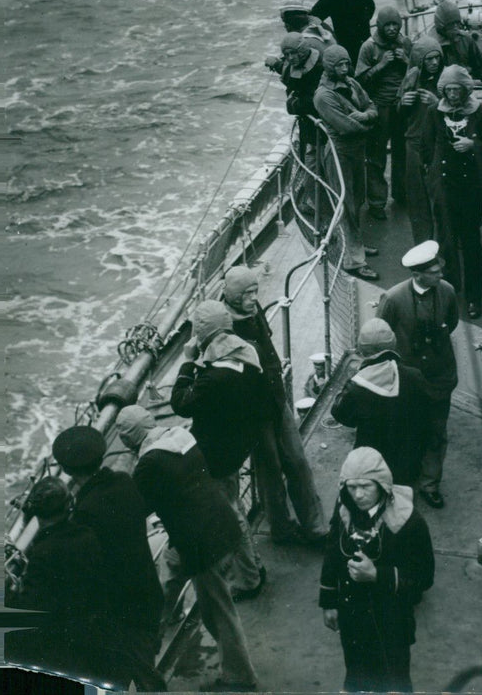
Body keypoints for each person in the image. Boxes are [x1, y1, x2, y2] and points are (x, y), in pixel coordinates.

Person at [116, 404, 258, 693]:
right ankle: (160, 629)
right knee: (172, 582)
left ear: (129, 439)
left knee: (219, 613)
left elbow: (136, 506)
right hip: (218, 526)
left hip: (201, 544)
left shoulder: (147, 464)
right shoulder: (183, 436)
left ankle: (239, 677)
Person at [222, 264, 328, 548]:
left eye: (255, 291)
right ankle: (281, 528)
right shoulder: (224, 326)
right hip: (253, 413)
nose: (254, 297)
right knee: (269, 471)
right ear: (232, 295)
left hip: (275, 400)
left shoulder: (252, 312)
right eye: (247, 293)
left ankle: (315, 527)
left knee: (297, 462)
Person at [170, 299, 269, 602]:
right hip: (238, 445)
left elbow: (180, 403)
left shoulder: (214, 378)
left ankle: (250, 578)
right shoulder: (248, 355)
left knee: (230, 513)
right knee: (233, 506)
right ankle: (252, 564)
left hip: (217, 456)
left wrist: (188, 362)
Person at [51, 424, 165, 689]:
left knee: (142, 673)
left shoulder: (85, 512)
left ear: (67, 470)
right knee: (144, 661)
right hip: (149, 589)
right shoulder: (124, 482)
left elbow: (92, 565)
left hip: (124, 609)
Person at [319, 447, 434, 694]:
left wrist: (376, 575)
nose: (358, 495)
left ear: (382, 485)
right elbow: (332, 552)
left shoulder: (410, 523)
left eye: (366, 486)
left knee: (393, 681)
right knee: (357, 673)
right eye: (352, 487)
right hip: (353, 619)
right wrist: (328, 601)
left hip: (391, 624)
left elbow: (423, 578)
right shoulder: (345, 507)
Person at [5, 476, 116, 685]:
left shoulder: (44, 554)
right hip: (89, 623)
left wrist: (8, 593)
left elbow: (31, 609)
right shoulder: (87, 535)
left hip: (59, 638)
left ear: (35, 512)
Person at [378, 241, 459, 509]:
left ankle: (429, 484)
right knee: (407, 429)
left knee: (437, 432)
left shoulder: (446, 292)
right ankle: (406, 475)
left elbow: (453, 321)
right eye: (434, 272)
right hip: (408, 380)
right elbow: (383, 332)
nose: (440, 275)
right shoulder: (393, 299)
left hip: (439, 377)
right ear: (417, 275)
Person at [421, 64, 482, 320]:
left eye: (458, 89)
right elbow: (425, 147)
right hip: (444, 187)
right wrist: (432, 176)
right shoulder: (434, 112)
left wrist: (474, 145)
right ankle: (449, 291)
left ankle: (473, 299)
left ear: (467, 90)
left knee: (470, 244)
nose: (453, 94)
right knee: (445, 242)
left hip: (470, 188)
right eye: (449, 89)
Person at [330, 318, 431, 488]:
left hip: (371, 466)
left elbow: (340, 414)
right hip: (408, 462)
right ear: (393, 344)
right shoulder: (415, 376)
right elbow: (425, 412)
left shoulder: (355, 387)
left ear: (362, 349)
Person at [313, 43, 379, 280]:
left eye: (346, 63)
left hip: (356, 151)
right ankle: (353, 260)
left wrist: (365, 116)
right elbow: (345, 127)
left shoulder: (352, 84)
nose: (344, 68)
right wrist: (368, 124)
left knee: (357, 199)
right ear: (329, 67)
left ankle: (357, 245)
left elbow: (372, 106)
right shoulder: (323, 96)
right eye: (339, 65)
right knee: (346, 203)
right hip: (339, 152)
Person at [355, 5, 411, 220]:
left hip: (401, 105)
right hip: (379, 107)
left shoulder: (405, 43)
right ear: (379, 26)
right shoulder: (369, 47)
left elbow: (417, 70)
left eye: (395, 25)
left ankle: (402, 193)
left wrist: (407, 60)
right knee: (376, 155)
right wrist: (381, 65)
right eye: (387, 25)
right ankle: (377, 202)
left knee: (402, 151)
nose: (391, 29)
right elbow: (359, 81)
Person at [397, 34, 443, 242]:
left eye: (436, 58)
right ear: (420, 61)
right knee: (417, 199)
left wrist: (438, 101)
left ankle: (441, 244)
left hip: (437, 145)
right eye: (429, 59)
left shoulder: (446, 81)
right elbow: (401, 115)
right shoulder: (411, 79)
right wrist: (402, 104)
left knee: (439, 198)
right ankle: (423, 243)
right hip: (414, 144)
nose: (434, 63)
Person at [310, 0, 375, 70]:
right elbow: (314, 17)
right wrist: (329, 35)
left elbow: (371, 7)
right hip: (347, 47)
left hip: (365, 42)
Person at [266, 31, 323, 159]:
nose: (290, 58)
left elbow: (315, 100)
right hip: (306, 124)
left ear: (302, 51)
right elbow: (287, 72)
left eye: (293, 53)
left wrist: (293, 105)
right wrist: (275, 63)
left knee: (315, 158)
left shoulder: (318, 69)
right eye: (287, 55)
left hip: (319, 124)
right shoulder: (296, 64)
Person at [431, 0, 482, 100]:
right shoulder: (432, 46)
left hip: (465, 90)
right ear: (442, 26)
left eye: (457, 23)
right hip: (443, 95)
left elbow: (480, 68)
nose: (456, 28)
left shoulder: (466, 39)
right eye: (451, 25)